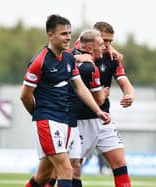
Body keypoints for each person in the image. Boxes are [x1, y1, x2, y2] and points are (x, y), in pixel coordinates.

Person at [20, 15, 110, 187]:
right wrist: (39, 115)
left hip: (65, 121)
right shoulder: (40, 62)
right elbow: (25, 95)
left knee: (44, 176)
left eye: (69, 33)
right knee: (66, 170)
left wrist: (98, 111)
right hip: (48, 121)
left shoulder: (69, 58)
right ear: (50, 35)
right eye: (63, 34)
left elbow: (80, 88)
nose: (68, 37)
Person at [70, 22, 134, 187]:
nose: (107, 45)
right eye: (104, 41)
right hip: (79, 121)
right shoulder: (75, 55)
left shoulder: (111, 57)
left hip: (103, 119)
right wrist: (75, 58)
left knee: (120, 163)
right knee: (70, 170)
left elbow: (124, 81)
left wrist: (129, 93)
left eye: (110, 42)